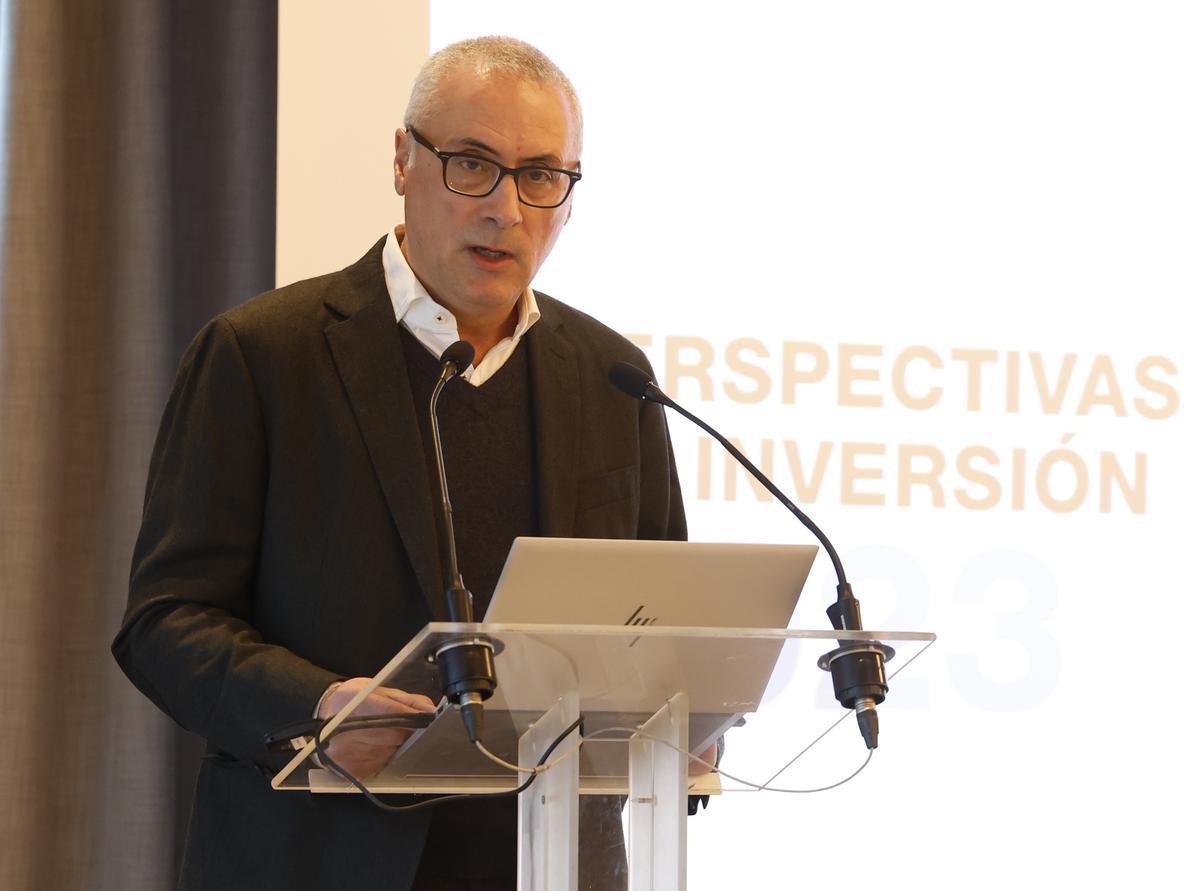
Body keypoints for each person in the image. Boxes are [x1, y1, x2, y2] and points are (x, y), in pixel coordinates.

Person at [113, 36, 689, 889]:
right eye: (471, 164)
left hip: (552, 857)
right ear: (400, 159)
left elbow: (664, 621)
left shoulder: (613, 378)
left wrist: (689, 707)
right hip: (318, 856)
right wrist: (313, 705)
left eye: (541, 175)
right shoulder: (261, 355)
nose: (507, 208)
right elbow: (165, 623)